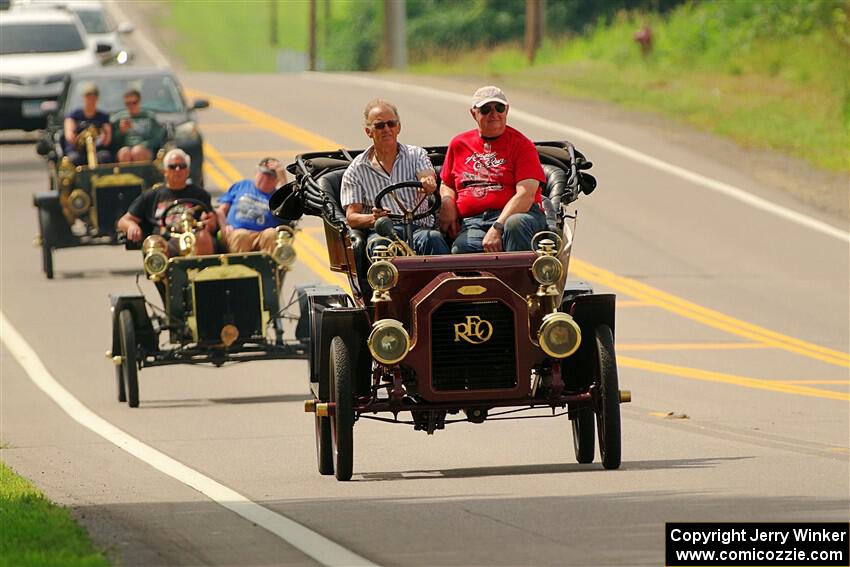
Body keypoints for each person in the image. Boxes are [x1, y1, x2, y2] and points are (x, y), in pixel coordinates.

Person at [439, 85, 548, 254]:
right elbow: (447, 183)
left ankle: (517, 272)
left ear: (507, 110)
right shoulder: (458, 144)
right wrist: (447, 203)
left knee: (515, 224)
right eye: (485, 109)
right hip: (473, 221)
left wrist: (498, 227)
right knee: (461, 249)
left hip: (517, 216)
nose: (494, 114)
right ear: (473, 113)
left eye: (499, 108)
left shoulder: (522, 145)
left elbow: (526, 195)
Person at [340, 99, 449, 255]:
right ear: (368, 132)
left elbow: (426, 175)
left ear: (398, 127)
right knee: (380, 247)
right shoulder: (356, 169)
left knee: (434, 238)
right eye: (379, 126)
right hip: (382, 232)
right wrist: (374, 218)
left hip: (419, 229)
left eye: (391, 124)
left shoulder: (416, 155)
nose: (386, 129)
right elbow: (352, 217)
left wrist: (427, 181)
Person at [117, 149, 218, 256]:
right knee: (154, 243)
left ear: (188, 171)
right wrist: (131, 226)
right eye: (172, 166)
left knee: (203, 237)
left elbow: (212, 222)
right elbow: (123, 221)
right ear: (165, 171)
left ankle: (199, 266)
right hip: (164, 242)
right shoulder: (151, 195)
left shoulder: (200, 195)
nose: (178, 170)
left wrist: (210, 222)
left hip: (193, 240)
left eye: (182, 166)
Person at [216, 157, 289, 253]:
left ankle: (267, 262)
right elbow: (221, 210)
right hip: (237, 232)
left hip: (262, 235)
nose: (266, 178)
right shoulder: (242, 185)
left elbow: (287, 213)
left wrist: (283, 181)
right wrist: (224, 226)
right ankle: (240, 262)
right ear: (256, 172)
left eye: (271, 176)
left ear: (276, 180)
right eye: (264, 174)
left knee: (271, 234)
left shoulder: (279, 196)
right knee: (241, 235)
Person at [63, 82, 112, 166]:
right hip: (78, 150)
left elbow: (107, 138)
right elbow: (69, 133)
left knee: (105, 157)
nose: (91, 100)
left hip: (96, 149)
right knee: (74, 159)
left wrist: (105, 135)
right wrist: (73, 134)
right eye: (88, 97)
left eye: (93, 97)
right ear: (84, 98)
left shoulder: (103, 117)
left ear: (97, 98)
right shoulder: (74, 115)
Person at [111, 88, 163, 163]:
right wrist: (122, 132)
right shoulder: (119, 118)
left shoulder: (149, 117)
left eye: (134, 103)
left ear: (139, 102)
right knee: (124, 153)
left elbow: (156, 138)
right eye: (128, 103)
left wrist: (144, 145)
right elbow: (114, 142)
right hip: (127, 149)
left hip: (145, 149)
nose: (131, 106)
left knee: (137, 151)